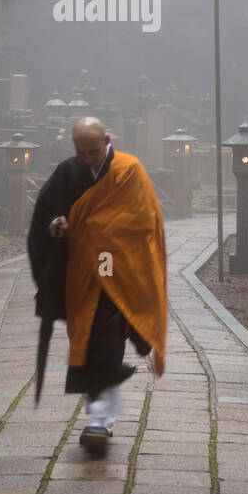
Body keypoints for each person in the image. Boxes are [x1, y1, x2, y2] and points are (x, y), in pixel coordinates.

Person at [27, 116, 167, 453]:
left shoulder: (129, 171)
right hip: (82, 274)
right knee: (86, 341)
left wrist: (91, 228)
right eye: (82, 152)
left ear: (107, 139)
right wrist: (57, 224)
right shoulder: (67, 172)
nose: (89, 158)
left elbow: (143, 221)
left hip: (118, 270)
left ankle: (100, 419)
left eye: (94, 150)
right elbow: (47, 212)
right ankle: (101, 416)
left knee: (104, 340)